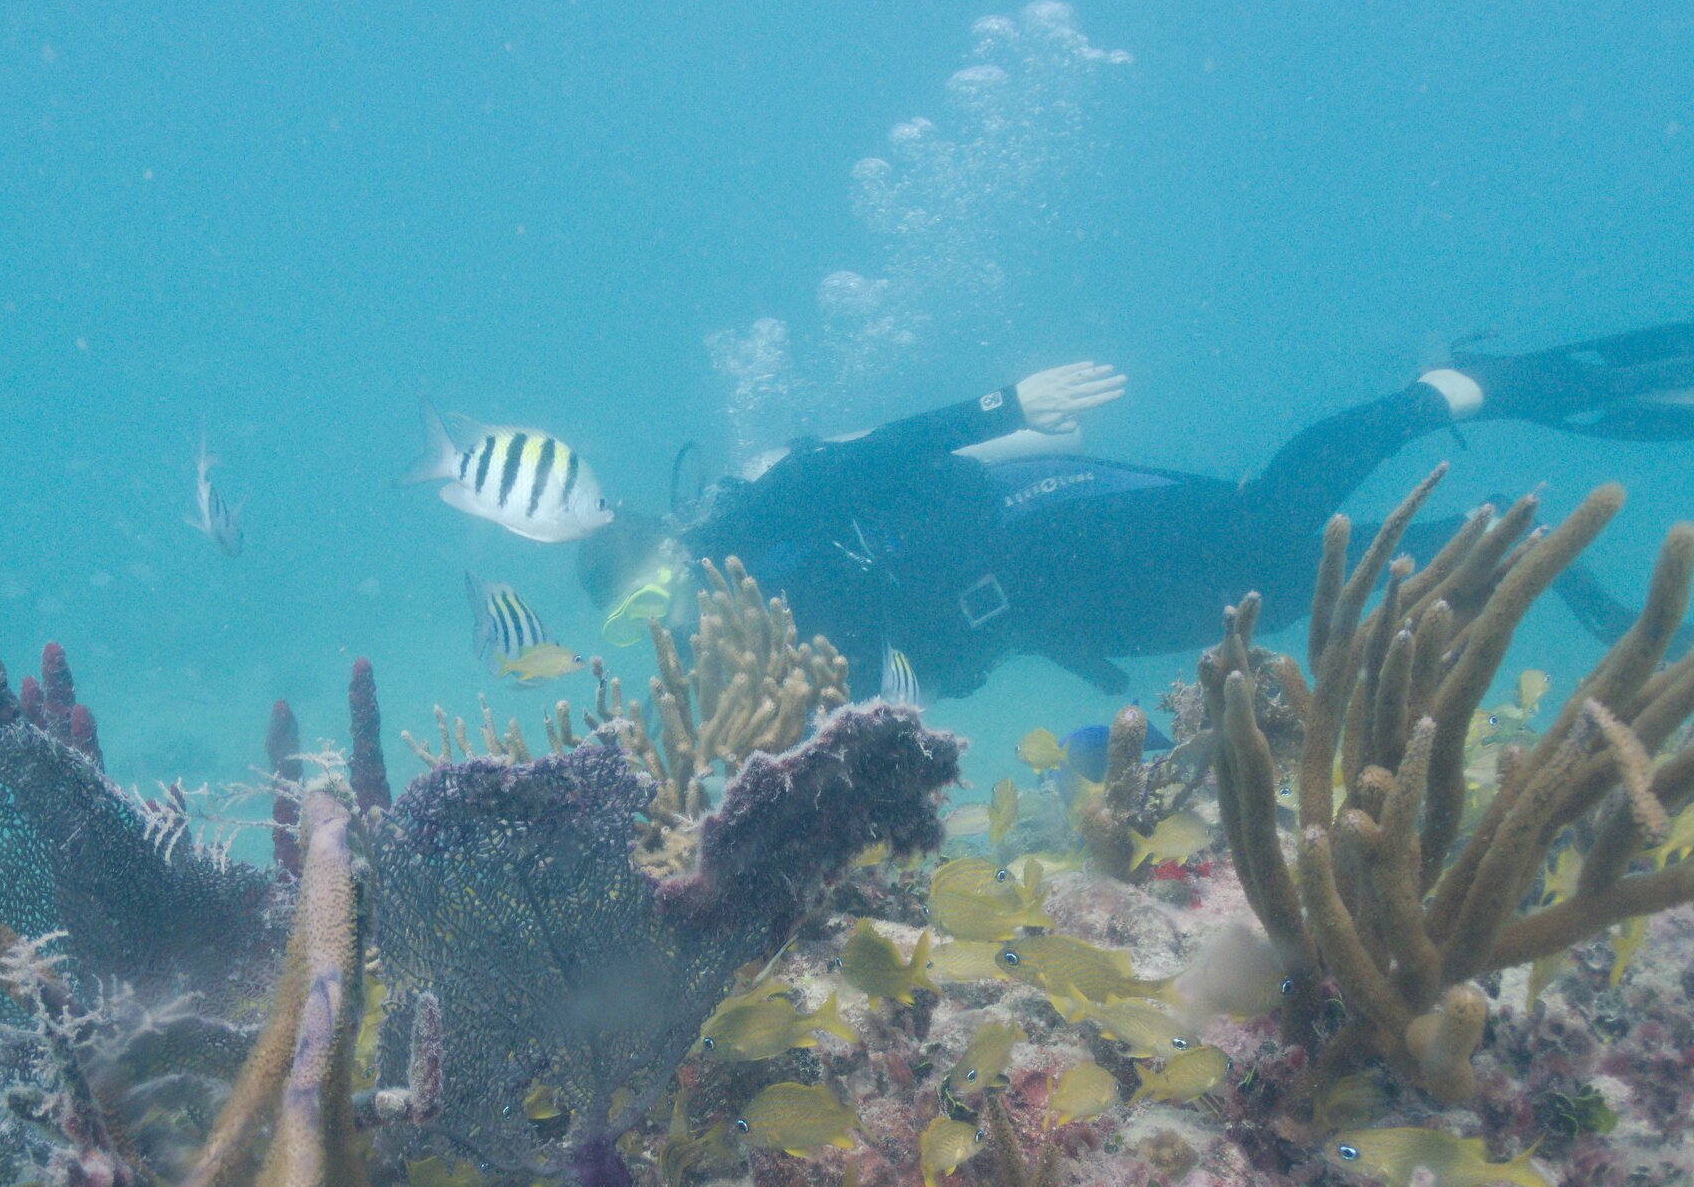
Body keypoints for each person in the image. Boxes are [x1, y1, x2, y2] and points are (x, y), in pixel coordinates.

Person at [577, 324, 1694, 701]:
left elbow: (892, 450)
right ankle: (1506, 535)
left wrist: (1004, 403)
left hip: (1051, 521)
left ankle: (1444, 392)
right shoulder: (741, 665)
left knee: (1265, 526)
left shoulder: (766, 510)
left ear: (669, 542)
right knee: (1290, 601)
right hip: (1062, 612)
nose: (667, 619)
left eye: (655, 587)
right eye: (641, 625)